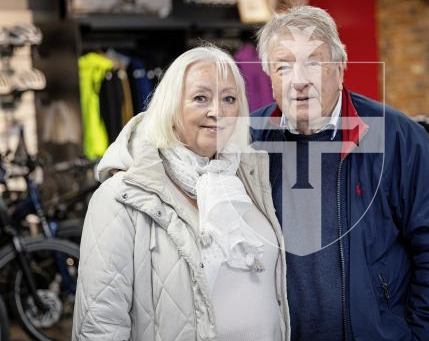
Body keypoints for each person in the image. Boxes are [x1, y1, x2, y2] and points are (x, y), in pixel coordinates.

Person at [251, 6, 429, 340]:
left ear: (340, 67)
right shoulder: (248, 142)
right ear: (270, 76)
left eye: (313, 63)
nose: (299, 81)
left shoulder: (397, 137)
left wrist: (422, 336)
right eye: (283, 66)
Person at [73, 46, 290, 341]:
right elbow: (100, 325)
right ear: (171, 108)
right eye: (201, 98)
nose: (217, 111)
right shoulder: (120, 197)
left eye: (229, 99)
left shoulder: (249, 178)